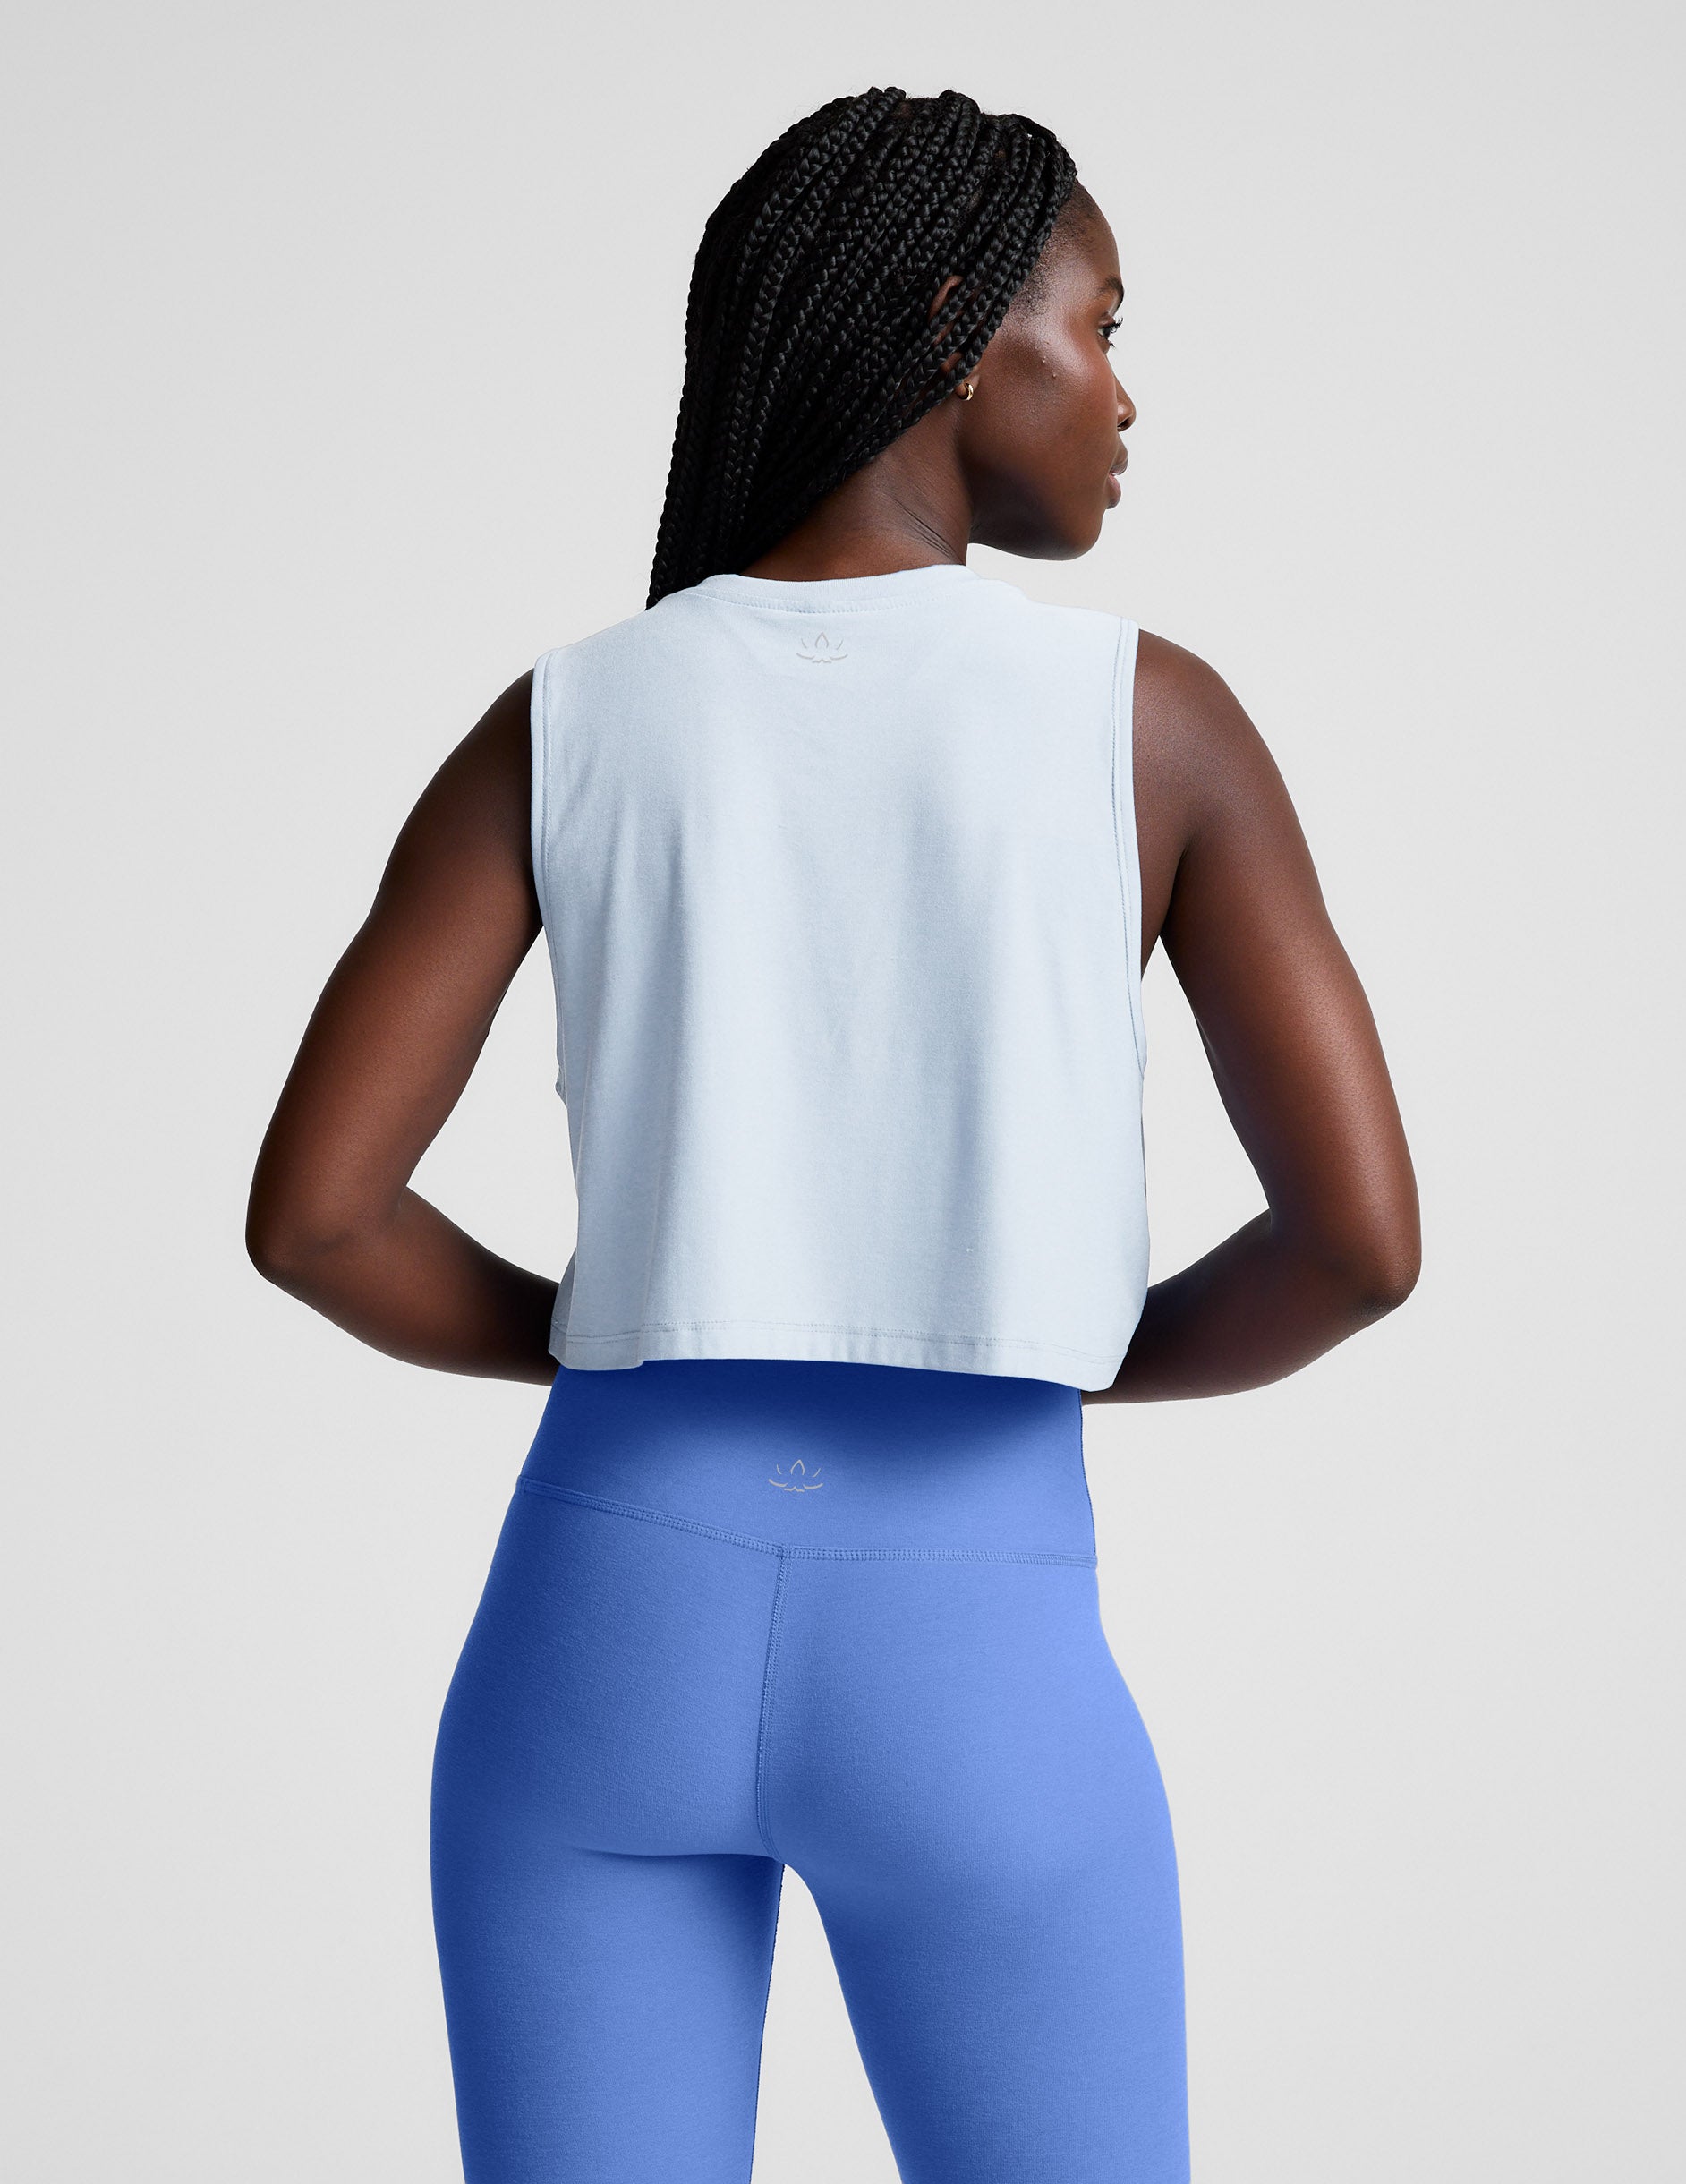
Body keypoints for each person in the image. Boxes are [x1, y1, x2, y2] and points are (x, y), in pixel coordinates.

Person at [247, 85, 1418, 2184]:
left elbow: (318, 1218)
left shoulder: (567, 717)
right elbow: (1360, 1242)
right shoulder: (1151, 723)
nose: (1123, 394)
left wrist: (631, 1327)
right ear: (961, 328)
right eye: (1102, 327)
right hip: (974, 1638)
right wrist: (1069, 1339)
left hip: (595, 1624)